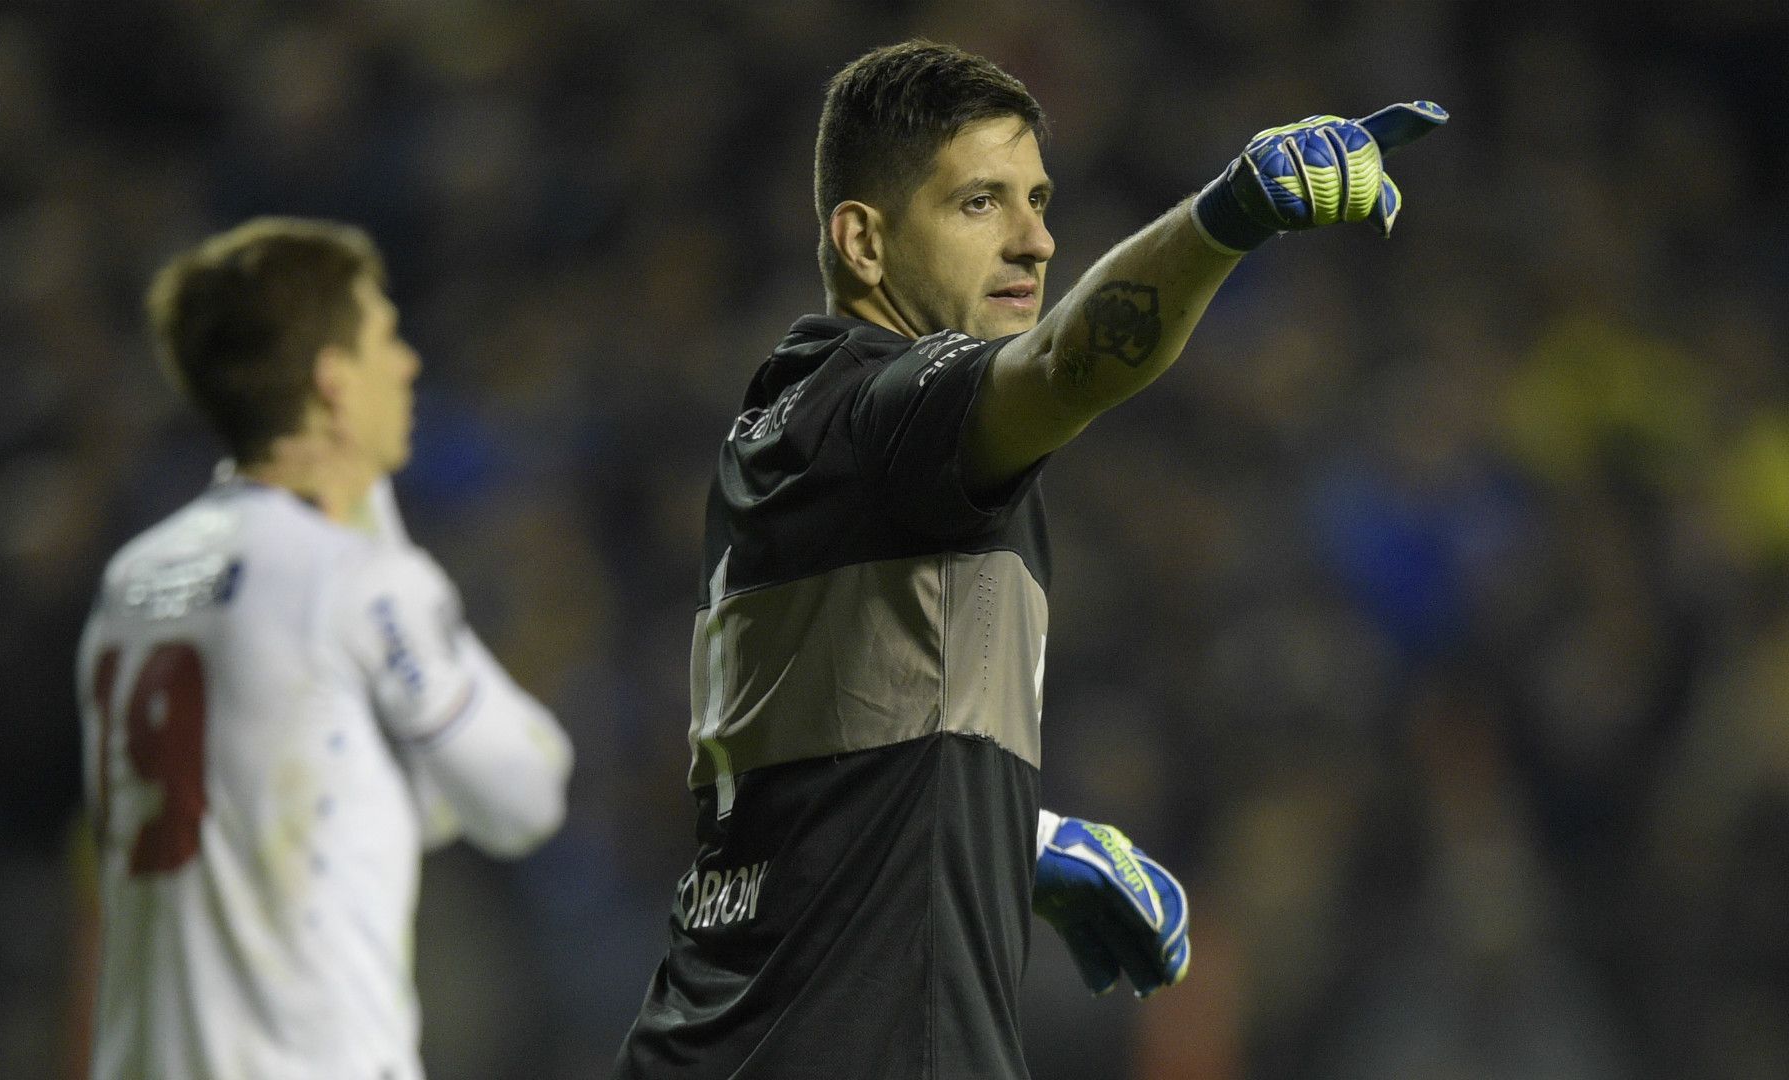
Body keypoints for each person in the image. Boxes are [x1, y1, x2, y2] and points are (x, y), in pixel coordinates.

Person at [614, 40, 1445, 1079]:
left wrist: (1018, 836)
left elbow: (805, 785)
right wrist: (1232, 213)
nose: (1036, 241)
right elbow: (1063, 363)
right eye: (980, 204)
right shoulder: (888, 409)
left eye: (1039, 200)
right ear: (863, 241)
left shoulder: (784, 434)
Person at [77, 217, 574, 1080]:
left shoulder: (132, 582)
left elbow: (307, 797)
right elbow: (526, 797)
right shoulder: (359, 585)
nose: (408, 363)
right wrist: (384, 544)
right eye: (385, 334)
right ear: (334, 381)